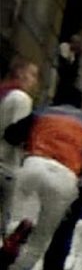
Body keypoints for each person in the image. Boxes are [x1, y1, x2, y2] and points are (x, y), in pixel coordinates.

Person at [0, 88, 82, 270]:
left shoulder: (41, 113)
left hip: (34, 165)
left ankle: (18, 231)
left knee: (15, 219)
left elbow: (12, 134)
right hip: (65, 176)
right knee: (39, 242)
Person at [0, 59, 38, 234]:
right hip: (7, 164)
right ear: (21, 74)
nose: (35, 81)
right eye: (33, 75)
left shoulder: (5, 94)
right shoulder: (20, 98)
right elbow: (16, 133)